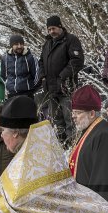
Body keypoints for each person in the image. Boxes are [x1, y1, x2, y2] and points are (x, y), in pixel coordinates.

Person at [69, 86, 108, 208]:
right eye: (73, 112)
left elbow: (106, 182)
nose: (73, 116)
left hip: (96, 208)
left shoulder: (103, 136)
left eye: (78, 113)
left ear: (92, 113)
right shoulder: (90, 130)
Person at [38, 15, 85, 147]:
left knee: (71, 119)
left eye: (53, 28)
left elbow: (77, 61)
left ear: (60, 26)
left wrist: (62, 76)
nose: (51, 31)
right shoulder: (47, 44)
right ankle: (63, 149)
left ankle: (74, 147)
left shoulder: (71, 40)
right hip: (51, 90)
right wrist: (42, 75)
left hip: (66, 88)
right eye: (49, 29)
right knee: (57, 121)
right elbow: (41, 61)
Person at [1, 34, 40, 99]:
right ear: (11, 45)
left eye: (21, 44)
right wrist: (9, 86)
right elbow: (2, 75)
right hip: (12, 94)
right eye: (16, 44)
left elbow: (37, 76)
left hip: (27, 93)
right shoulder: (5, 58)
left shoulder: (31, 57)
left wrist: (31, 90)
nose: (19, 46)